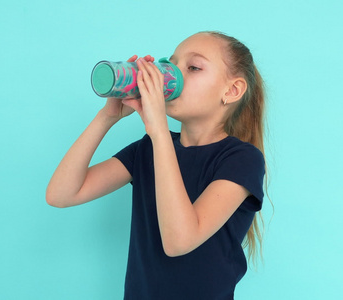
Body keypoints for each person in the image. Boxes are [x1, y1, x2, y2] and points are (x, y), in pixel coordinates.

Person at [46, 31, 267, 299]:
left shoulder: (242, 159)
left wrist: (158, 130)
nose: (172, 74)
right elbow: (61, 194)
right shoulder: (148, 148)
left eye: (194, 67)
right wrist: (106, 117)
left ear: (232, 91)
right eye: (171, 64)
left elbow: (179, 241)